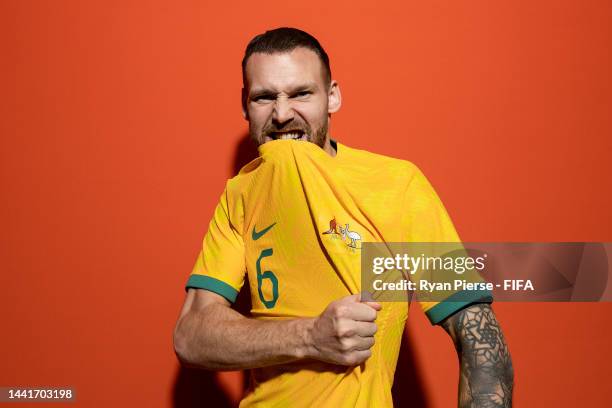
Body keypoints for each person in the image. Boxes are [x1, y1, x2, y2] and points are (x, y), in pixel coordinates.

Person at [173, 27, 514, 407]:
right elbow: (191, 336)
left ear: (332, 96)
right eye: (265, 97)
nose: (282, 114)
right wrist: (309, 337)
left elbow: (477, 334)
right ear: (244, 105)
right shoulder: (241, 193)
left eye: (301, 93)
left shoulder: (396, 186)